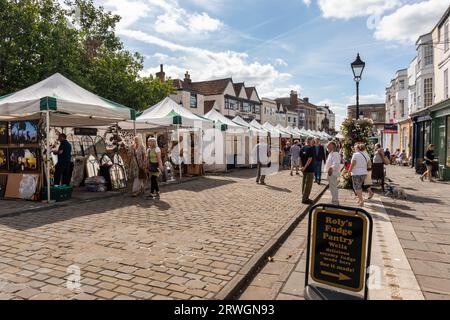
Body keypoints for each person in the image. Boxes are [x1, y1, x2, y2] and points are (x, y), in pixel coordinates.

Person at [324, 141, 341, 205]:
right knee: (332, 187)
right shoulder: (331, 153)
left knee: (333, 187)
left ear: (332, 146)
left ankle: (335, 201)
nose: (327, 146)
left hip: (332, 173)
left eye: (329, 145)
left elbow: (336, 164)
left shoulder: (335, 154)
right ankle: (334, 200)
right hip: (330, 173)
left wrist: (331, 168)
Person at [300, 137, 315, 204]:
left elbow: (300, 158)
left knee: (304, 183)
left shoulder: (302, 148)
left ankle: (304, 196)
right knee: (308, 184)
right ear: (310, 141)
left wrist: (302, 167)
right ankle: (305, 199)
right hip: (309, 169)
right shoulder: (310, 148)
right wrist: (305, 167)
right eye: (312, 141)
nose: (313, 142)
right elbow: (310, 159)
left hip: (304, 169)